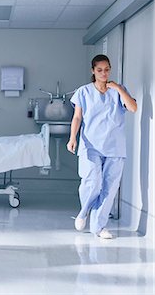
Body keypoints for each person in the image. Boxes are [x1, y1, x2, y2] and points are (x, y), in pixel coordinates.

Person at [67, 54, 137, 239]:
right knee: (93, 182)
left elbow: (133, 108)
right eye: (100, 70)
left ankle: (99, 227)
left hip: (115, 147)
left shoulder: (118, 90)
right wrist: (72, 137)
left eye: (107, 70)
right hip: (91, 145)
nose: (104, 73)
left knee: (110, 187)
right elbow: (77, 117)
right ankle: (84, 211)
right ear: (93, 71)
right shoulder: (83, 91)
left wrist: (118, 88)